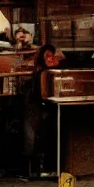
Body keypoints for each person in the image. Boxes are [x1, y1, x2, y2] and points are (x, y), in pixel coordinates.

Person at [23, 43, 62, 176]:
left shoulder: (54, 72)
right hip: (39, 110)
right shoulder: (41, 73)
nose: (51, 59)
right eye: (47, 56)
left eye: (52, 56)